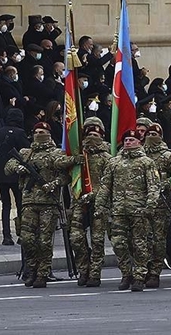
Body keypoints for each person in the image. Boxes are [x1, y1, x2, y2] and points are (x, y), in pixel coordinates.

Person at [5, 122, 81, 288]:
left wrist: (53, 184)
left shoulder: (55, 153)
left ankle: (42, 273)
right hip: (28, 202)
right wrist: (18, 168)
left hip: (48, 203)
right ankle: (31, 269)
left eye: (43, 131)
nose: (39, 134)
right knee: (26, 239)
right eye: (36, 131)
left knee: (45, 241)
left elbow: (65, 174)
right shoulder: (26, 153)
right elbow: (8, 166)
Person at [94, 129, 159, 291]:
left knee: (140, 244)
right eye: (126, 140)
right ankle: (126, 273)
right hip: (118, 210)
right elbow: (105, 186)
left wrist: (150, 206)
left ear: (139, 142)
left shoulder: (146, 162)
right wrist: (100, 205)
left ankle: (139, 276)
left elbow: (153, 185)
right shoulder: (114, 162)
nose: (128, 142)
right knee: (118, 244)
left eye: (132, 139)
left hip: (139, 211)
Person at [70, 118, 112, 286]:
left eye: (95, 134)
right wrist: (73, 160)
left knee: (97, 240)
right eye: (88, 133)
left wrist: (95, 195)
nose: (91, 137)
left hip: (100, 203)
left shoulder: (107, 158)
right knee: (76, 238)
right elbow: (59, 165)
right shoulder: (78, 155)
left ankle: (94, 273)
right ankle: (83, 269)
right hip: (79, 201)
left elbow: (109, 183)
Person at [142, 124, 171, 288]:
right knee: (141, 240)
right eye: (149, 134)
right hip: (140, 204)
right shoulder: (138, 155)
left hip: (160, 205)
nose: (151, 136)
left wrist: (162, 184)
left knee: (158, 240)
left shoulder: (168, 156)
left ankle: (155, 272)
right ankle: (142, 271)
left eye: (155, 134)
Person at [0, 108, 30, 245]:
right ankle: (21, 234)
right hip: (15, 173)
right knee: (20, 203)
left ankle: (6, 236)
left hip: (0, 172)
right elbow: (25, 152)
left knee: (6, 205)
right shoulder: (20, 133)